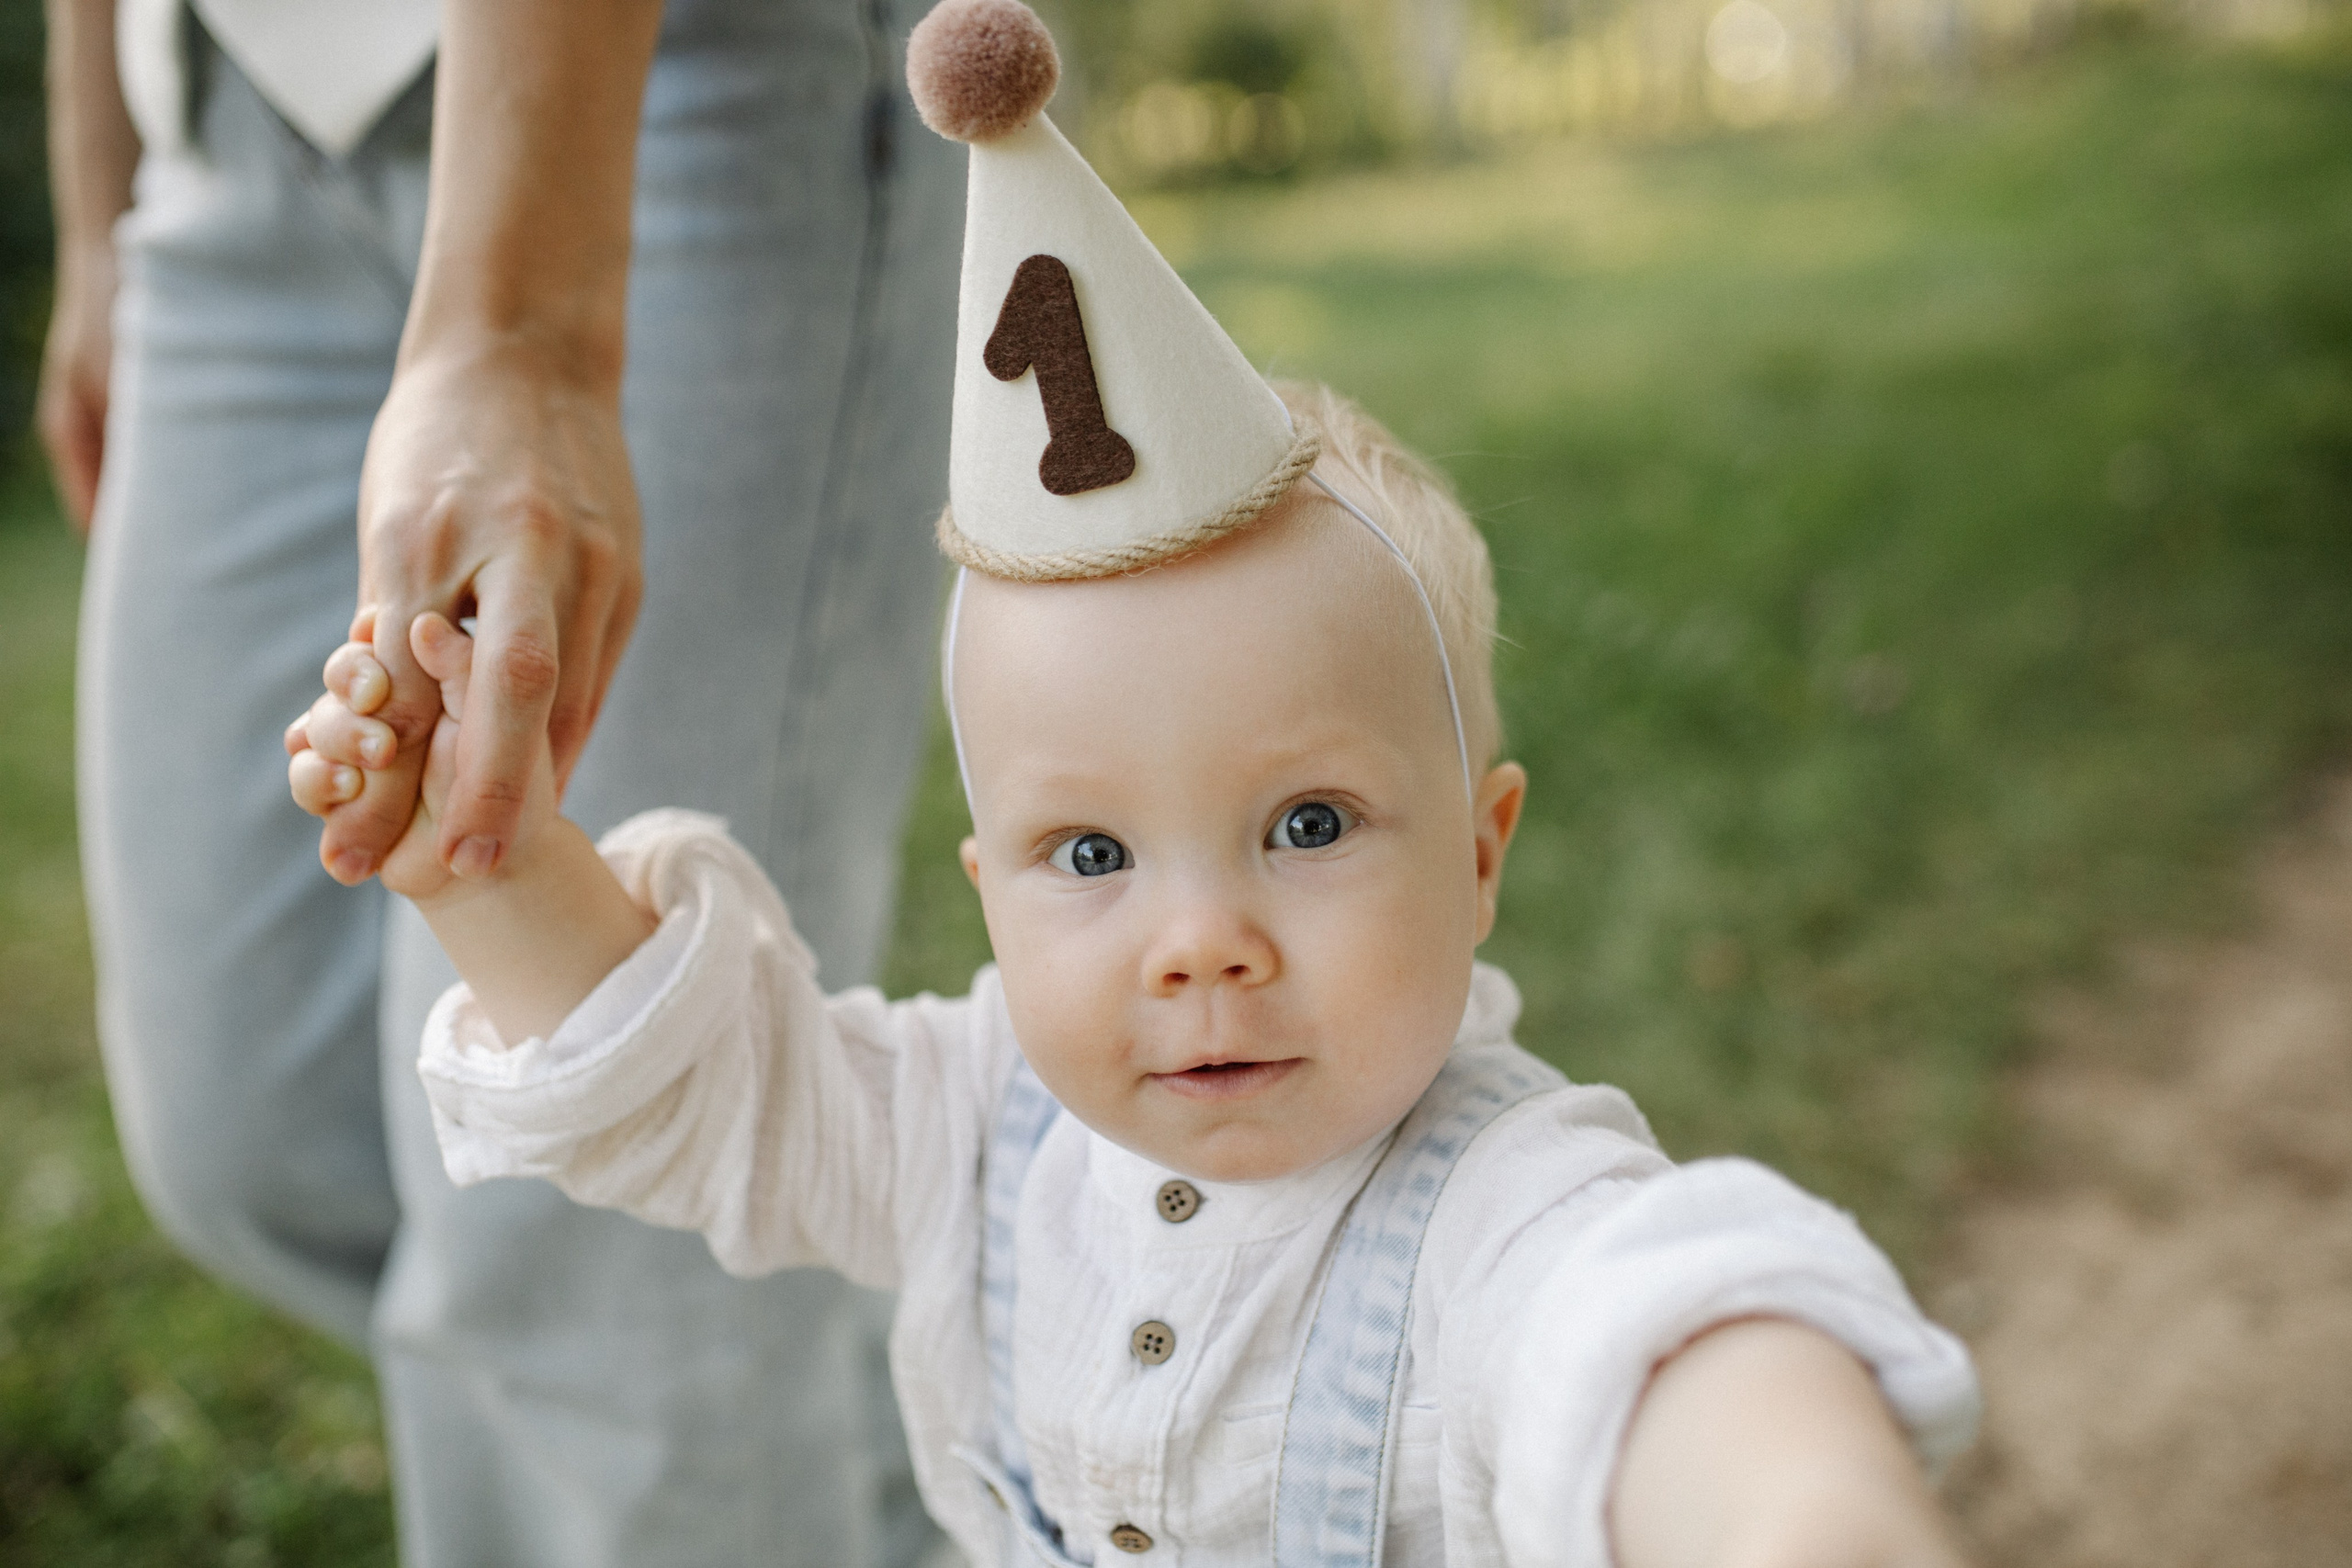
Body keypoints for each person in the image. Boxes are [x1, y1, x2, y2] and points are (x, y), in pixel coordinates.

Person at [287, 9, 1980, 1559]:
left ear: (1483, 853)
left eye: (1307, 826)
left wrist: (1799, 1511)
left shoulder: (1489, 1216)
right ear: (989, 895)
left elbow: (1653, 1321)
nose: (1199, 942)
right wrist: (485, 857)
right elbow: (711, 1088)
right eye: (1088, 850)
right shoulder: (980, 1132)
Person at [45, 0, 957, 1562]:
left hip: (681, 77)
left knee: (593, 1243)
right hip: (228, 112)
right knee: (252, 1130)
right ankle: (900, 1482)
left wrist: (523, 332)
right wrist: (96, 195)